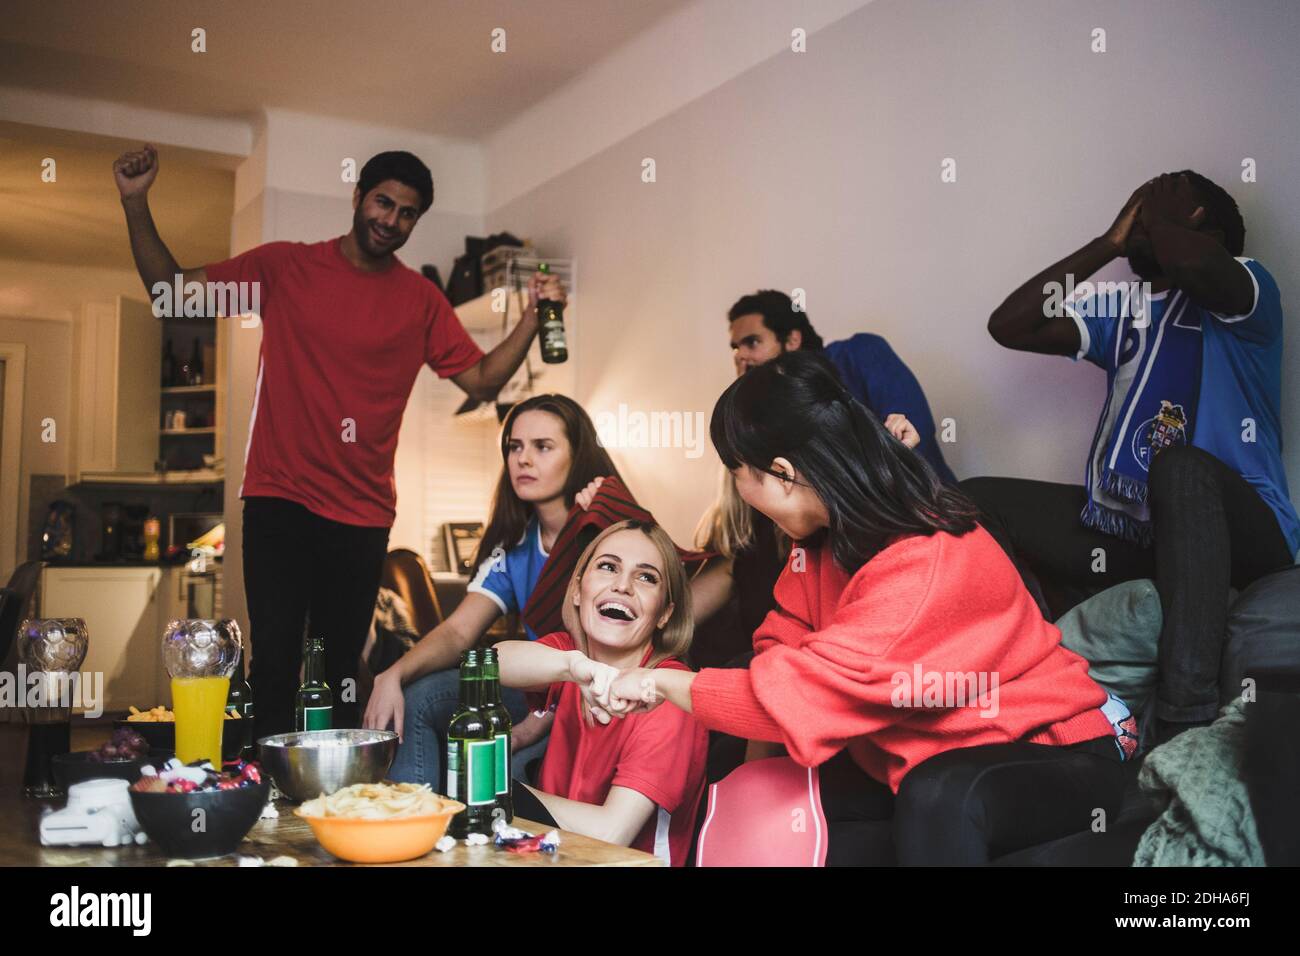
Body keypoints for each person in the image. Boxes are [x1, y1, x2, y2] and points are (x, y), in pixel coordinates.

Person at [596, 351, 1135, 865]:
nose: (738, 489)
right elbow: (778, 649)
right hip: (925, 750)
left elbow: (804, 692)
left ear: (781, 474)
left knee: (940, 795)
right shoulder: (821, 545)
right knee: (783, 807)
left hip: (1055, 748)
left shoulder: (923, 562)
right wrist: (757, 783)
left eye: (736, 470)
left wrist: (658, 684)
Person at [114, 145, 556, 739]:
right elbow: (172, 293)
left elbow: (481, 380)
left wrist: (532, 317)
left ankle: (340, 799)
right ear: (358, 197)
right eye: (383, 202)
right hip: (280, 500)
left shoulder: (421, 302)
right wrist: (136, 201)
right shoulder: (284, 268)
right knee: (274, 661)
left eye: (407, 213)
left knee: (342, 669)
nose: (391, 220)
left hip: (361, 514)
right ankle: (265, 795)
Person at [972, 171, 1298, 744]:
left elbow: (1199, 268)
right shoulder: (1127, 312)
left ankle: (1184, 716)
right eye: (1140, 213)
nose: (1143, 220)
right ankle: (1034, 668)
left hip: (1244, 536)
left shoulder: (1249, 293)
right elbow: (1009, 325)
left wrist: (1167, 226)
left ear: (1208, 230)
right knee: (976, 499)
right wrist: (1107, 244)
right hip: (1139, 534)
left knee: (1180, 466)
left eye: (1162, 211)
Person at [369, 394, 623, 786]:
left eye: (543, 447)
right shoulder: (515, 545)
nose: (523, 459)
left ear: (579, 456)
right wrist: (393, 674)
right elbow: (458, 632)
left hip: (590, 696)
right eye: (515, 447)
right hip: (533, 691)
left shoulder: (607, 536)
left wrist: (540, 721)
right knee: (420, 696)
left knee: (512, 772)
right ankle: (411, 824)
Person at [497, 520, 708, 866]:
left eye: (646, 577)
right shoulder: (570, 659)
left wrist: (498, 793)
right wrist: (571, 667)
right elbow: (492, 663)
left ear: (664, 614)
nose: (622, 585)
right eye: (608, 567)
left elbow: (612, 833)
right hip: (550, 856)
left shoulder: (668, 693)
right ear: (578, 591)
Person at [727, 289, 955, 483]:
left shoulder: (861, 354)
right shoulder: (768, 407)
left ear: (792, 340)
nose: (741, 356)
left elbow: (912, 434)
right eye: (736, 348)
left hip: (928, 513)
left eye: (753, 342)